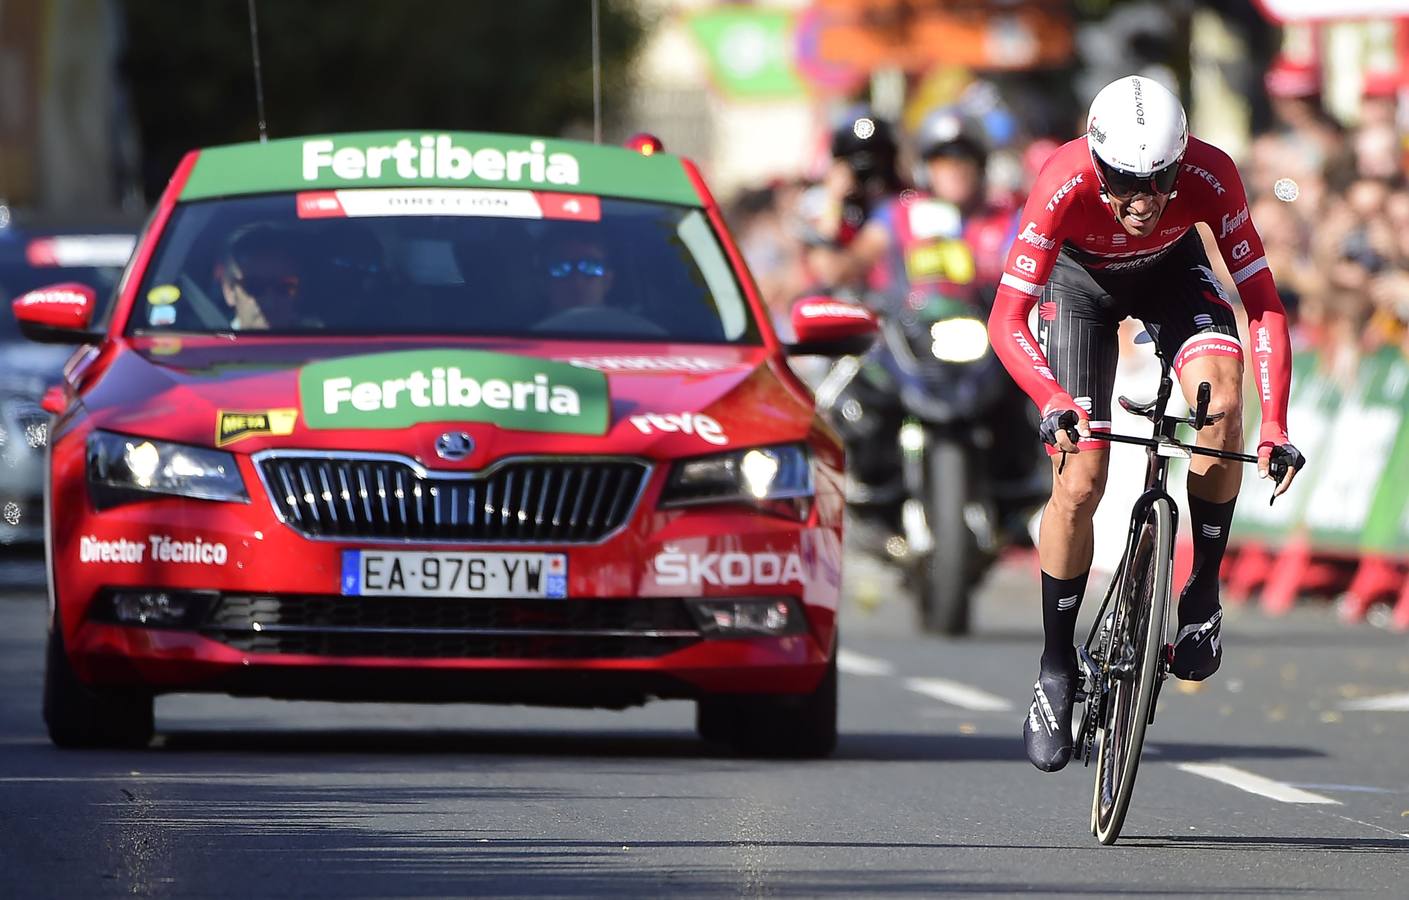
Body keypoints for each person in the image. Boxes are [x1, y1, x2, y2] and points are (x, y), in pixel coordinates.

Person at [986, 75, 1306, 772]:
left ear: (1179, 162)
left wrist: (1274, 423)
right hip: (1078, 290)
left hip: (1171, 273)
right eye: (1121, 183)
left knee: (1219, 404)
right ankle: (1054, 666)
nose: (1139, 202)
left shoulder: (1211, 176)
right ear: (1096, 163)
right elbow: (1005, 318)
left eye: (1157, 182)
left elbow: (1263, 303)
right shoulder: (1062, 182)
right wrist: (1050, 398)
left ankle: (1200, 592)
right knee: (1080, 479)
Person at [216, 225, 308, 331]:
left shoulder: (317, 343)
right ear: (229, 291)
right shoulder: (213, 344)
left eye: (284, 287)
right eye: (254, 286)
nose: (270, 303)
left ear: (299, 293)